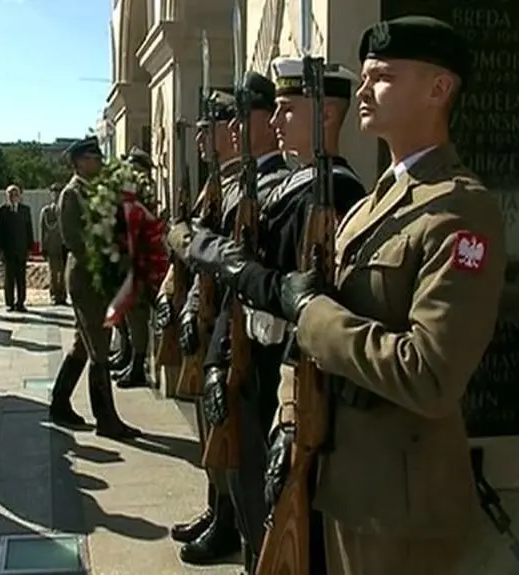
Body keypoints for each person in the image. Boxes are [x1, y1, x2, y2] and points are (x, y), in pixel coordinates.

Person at [259, 17, 506, 575]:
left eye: (383, 77)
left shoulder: (461, 210)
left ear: (439, 89)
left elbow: (431, 374)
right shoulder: (371, 204)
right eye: (365, 77)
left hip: (399, 503)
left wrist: (312, 315)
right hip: (337, 475)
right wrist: (288, 415)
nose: (364, 91)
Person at [173, 58, 367, 569]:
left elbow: (314, 299)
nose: (275, 122)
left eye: (287, 110)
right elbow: (240, 292)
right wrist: (219, 359)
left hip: (289, 375)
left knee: (286, 515)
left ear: (325, 117)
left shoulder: (338, 191)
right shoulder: (286, 186)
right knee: (253, 497)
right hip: (255, 362)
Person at [167, 71, 299, 571]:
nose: (229, 132)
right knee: (221, 444)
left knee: (247, 472)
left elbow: (245, 274)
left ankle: (232, 528)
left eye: (240, 118)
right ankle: (221, 515)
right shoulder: (229, 184)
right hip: (220, 332)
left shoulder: (274, 186)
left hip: (250, 347)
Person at [162, 90, 244, 565]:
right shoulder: (216, 184)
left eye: (207, 130)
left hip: (232, 328)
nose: (199, 140)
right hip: (209, 320)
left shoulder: (243, 187)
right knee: (210, 428)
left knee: (227, 431)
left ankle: (228, 519)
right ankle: (216, 508)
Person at [47, 136, 141, 438]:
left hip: (100, 276)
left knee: (82, 343)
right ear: (79, 162)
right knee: (98, 347)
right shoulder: (72, 194)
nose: (99, 161)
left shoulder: (98, 191)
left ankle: (59, 403)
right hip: (87, 278)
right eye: (93, 157)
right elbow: (75, 240)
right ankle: (106, 419)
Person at [111, 146, 156, 388]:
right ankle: (128, 355)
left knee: (137, 313)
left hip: (138, 258)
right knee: (128, 311)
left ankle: (138, 365)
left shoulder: (144, 192)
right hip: (126, 257)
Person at [0, 184, 34, 312]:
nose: (13, 197)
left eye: (15, 194)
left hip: (21, 249)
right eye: (10, 194)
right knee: (9, 278)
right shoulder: (2, 211)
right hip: (8, 250)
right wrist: (0, 249)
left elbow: (29, 230)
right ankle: (10, 303)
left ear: (20, 196)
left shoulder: (25, 210)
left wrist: (30, 248)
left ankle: (21, 302)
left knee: (21, 278)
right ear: (6, 196)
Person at [40, 183, 68, 305]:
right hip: (52, 246)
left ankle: (62, 295)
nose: (56, 194)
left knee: (63, 273)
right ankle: (54, 295)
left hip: (64, 246)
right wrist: (43, 247)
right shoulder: (46, 211)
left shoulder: (65, 209)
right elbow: (42, 229)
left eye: (58, 191)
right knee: (53, 272)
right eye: (54, 192)